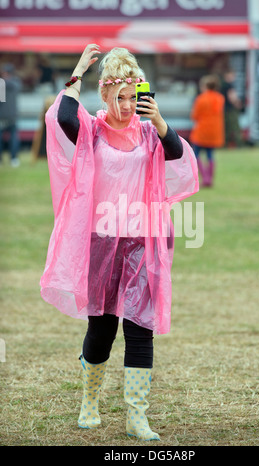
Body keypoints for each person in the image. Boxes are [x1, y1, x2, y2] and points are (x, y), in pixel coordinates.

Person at [40, 44, 198, 441]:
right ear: (106, 95)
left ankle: (137, 416)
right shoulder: (91, 130)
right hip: (103, 242)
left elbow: (179, 156)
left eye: (133, 97)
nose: (127, 106)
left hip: (144, 241)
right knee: (103, 328)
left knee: (140, 327)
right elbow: (60, 118)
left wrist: (160, 121)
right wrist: (76, 73)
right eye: (119, 97)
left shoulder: (149, 132)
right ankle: (89, 402)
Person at [190, 75, 225, 187]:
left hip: (202, 130)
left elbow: (195, 116)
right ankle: (210, 179)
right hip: (214, 131)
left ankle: (204, 178)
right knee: (210, 155)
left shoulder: (201, 99)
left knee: (196, 154)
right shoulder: (220, 98)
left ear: (204, 86)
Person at [0, 63, 22, 167]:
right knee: (14, 137)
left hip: (2, 114)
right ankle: (14, 159)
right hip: (13, 114)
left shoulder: (1, 83)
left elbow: (1, 99)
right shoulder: (16, 83)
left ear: (5, 72)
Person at [220, 69, 242, 147]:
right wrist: (238, 104)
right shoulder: (229, 85)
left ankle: (224, 144)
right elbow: (232, 97)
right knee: (235, 127)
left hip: (224, 109)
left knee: (226, 128)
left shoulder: (221, 85)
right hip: (230, 109)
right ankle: (239, 144)